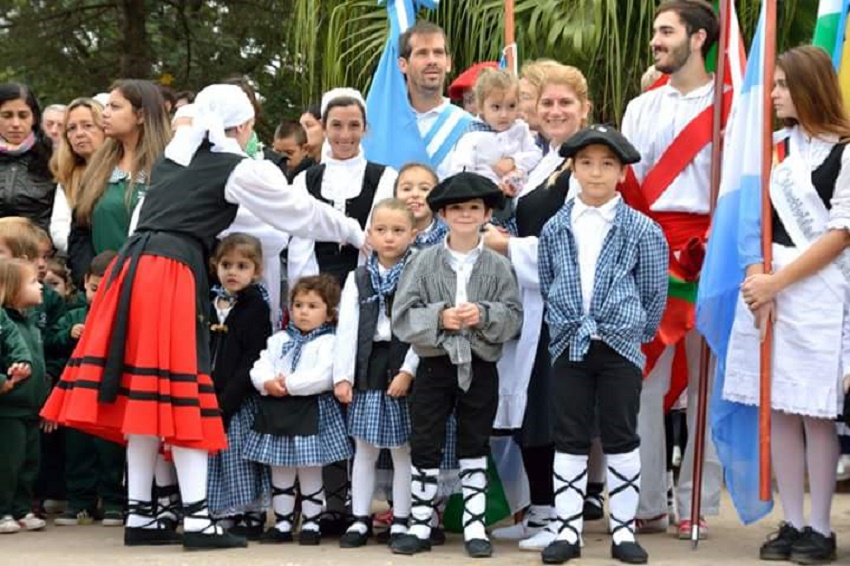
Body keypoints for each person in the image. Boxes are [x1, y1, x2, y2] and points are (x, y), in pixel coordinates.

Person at [39, 83, 367, 550]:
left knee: (143, 396)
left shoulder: (173, 160)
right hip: (170, 271)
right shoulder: (235, 167)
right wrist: (355, 232)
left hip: (132, 268)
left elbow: (141, 224)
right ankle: (197, 521)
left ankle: (140, 514)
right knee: (182, 390)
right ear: (242, 126)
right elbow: (298, 213)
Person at [723, 46, 850, 565]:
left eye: (780, 85)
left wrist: (778, 283)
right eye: (771, 84)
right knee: (777, 408)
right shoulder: (771, 151)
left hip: (818, 290)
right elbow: (752, 225)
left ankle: (821, 526)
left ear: (808, 86)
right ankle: (792, 519)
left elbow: (842, 232)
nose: (772, 95)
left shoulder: (845, 151)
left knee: (814, 412)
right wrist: (757, 282)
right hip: (769, 290)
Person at [537, 125, 668, 565]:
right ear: (572, 169)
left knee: (620, 434)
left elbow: (653, 292)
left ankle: (624, 532)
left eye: (607, 164)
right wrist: (564, 324)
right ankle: (567, 530)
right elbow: (548, 279)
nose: (596, 173)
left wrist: (632, 331)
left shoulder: (642, 230)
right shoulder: (555, 228)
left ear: (623, 174)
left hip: (620, 347)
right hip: (570, 345)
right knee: (569, 435)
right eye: (587, 163)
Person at [620, 0, 723, 536]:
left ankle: (696, 502)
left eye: (666, 31)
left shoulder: (731, 106)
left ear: (699, 38)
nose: (656, 41)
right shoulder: (641, 107)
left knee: (704, 384)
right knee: (643, 381)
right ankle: (648, 502)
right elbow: (632, 186)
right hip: (651, 251)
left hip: (707, 254)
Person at [484, 63, 598, 552]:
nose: (554, 111)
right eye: (547, 103)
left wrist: (508, 248)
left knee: (556, 409)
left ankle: (562, 516)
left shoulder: (586, 164)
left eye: (564, 103)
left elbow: (578, 244)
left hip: (565, 302)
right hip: (531, 300)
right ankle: (541, 510)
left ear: (584, 109)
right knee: (531, 405)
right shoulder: (546, 161)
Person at [390, 172, 523, 558]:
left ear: (486, 213)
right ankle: (419, 524)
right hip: (435, 365)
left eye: (474, 208)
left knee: (475, 441)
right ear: (443, 214)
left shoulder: (498, 265)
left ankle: (475, 526)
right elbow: (403, 315)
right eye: (457, 208)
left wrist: (483, 313)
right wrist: (439, 317)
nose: (465, 215)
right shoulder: (423, 261)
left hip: (479, 364)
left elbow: (514, 316)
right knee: (426, 440)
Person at [334, 198, 418, 548]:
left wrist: (408, 370)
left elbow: (420, 327)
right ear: (370, 234)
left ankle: (401, 517)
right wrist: (343, 375)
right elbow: (347, 327)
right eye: (381, 230)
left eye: (398, 231)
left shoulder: (419, 272)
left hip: (402, 365)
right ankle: (360, 518)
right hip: (368, 364)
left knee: (402, 449)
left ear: (412, 235)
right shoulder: (359, 276)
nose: (389, 238)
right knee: (364, 448)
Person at [243, 274, 350, 545]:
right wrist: (267, 382)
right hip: (277, 409)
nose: (304, 311)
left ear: (329, 314)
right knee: (280, 468)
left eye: (313, 306)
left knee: (310, 469)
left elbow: (324, 375)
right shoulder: (279, 339)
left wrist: (289, 384)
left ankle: (312, 523)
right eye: (299, 305)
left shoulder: (330, 341)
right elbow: (261, 364)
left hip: (310, 409)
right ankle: (281, 522)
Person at [287, 88, 397, 286]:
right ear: (323, 128)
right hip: (316, 294)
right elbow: (300, 246)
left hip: (368, 288)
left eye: (354, 125)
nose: (345, 135)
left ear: (365, 128)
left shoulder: (385, 178)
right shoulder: (304, 180)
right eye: (336, 125)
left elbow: (382, 241)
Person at [67, 80, 171, 288]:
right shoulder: (98, 167)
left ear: (141, 115)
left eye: (114, 107)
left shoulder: (170, 169)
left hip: (151, 288)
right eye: (106, 106)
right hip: (102, 290)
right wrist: (89, 279)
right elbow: (80, 231)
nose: (105, 113)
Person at [51, 250, 126, 527]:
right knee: (77, 450)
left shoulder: (123, 318)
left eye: (109, 288)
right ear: (85, 282)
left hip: (110, 395)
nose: (100, 294)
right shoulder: (74, 315)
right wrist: (66, 335)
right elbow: (50, 342)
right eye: (95, 288)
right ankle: (79, 502)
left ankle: (113, 502)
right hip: (77, 394)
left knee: (111, 452)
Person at [206, 234, 272, 539]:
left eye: (242, 266)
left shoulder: (256, 306)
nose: (233, 272)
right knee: (214, 456)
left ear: (256, 271)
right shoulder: (211, 303)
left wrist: (228, 398)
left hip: (239, 396)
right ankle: (223, 510)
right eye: (226, 264)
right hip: (209, 391)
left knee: (238, 454)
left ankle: (251, 510)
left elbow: (253, 357)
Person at [450, 68, 542, 212]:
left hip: (517, 203)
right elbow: (461, 175)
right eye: (496, 107)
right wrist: (487, 189)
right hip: (483, 204)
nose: (504, 114)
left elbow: (536, 154)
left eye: (511, 106)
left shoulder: (521, 129)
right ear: (481, 107)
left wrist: (514, 162)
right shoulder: (471, 137)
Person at [0, 258, 48, 535]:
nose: (39, 285)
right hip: (8, 409)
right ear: (11, 288)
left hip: (31, 408)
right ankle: (3, 509)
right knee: (8, 464)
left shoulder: (31, 323)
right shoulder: (5, 324)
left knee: (30, 463)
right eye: (32, 282)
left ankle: (21, 508)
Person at [396, 21, 474, 180]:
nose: (432, 60)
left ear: (448, 63)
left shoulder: (468, 126)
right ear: (403, 65)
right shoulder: (387, 123)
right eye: (422, 53)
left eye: (438, 53)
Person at [49, 98, 106, 255]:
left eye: (88, 126)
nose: (79, 134)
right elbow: (59, 229)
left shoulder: (124, 171)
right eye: (71, 128)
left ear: (105, 129)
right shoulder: (68, 178)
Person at [0, 83, 55, 232]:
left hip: (40, 250)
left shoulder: (53, 157)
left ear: (35, 118)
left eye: (23, 115)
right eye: (7, 115)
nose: (15, 124)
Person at [395, 162, 447, 249]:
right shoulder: (384, 236)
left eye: (424, 189)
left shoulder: (451, 239)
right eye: (407, 189)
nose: (415, 194)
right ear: (395, 195)